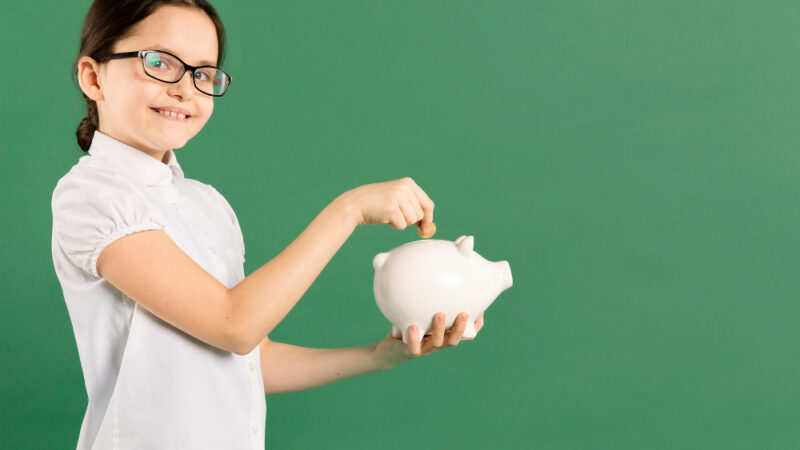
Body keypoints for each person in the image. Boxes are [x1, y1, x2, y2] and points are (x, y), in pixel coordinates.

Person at [51, 1, 485, 448]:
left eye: (203, 73)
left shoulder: (207, 204)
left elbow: (251, 357)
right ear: (93, 76)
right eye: (159, 62)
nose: (185, 89)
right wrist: (348, 209)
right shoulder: (91, 195)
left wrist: (380, 355)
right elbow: (233, 325)